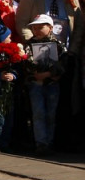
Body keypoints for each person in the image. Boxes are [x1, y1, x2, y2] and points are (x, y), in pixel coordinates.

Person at [23, 14, 66, 155]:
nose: (36, 30)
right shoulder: (29, 44)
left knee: (50, 113)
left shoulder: (58, 45)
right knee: (38, 113)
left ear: (50, 28)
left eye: (40, 27)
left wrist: (48, 74)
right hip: (36, 84)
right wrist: (35, 73)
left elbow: (63, 64)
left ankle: (50, 141)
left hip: (52, 83)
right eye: (34, 27)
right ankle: (40, 143)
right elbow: (26, 61)